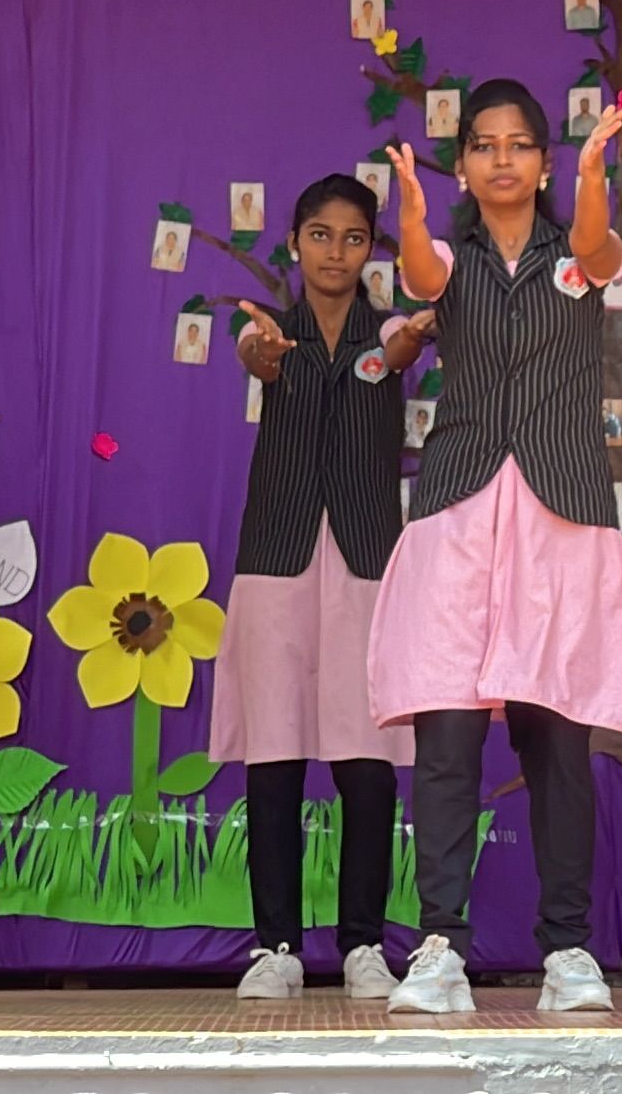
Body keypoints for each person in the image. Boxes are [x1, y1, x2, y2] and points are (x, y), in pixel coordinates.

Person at [366, 80, 622, 1016]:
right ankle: (439, 946)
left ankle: (568, 949)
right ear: (463, 166)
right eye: (483, 145)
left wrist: (596, 172)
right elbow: (419, 270)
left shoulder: (581, 256)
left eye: (519, 144)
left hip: (560, 514)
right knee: (447, 736)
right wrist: (410, 213)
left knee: (558, 735)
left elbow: (597, 244)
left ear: (543, 161)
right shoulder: (451, 260)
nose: (501, 159)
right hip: (459, 511)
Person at [212, 175, 435, 1001]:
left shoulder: (393, 330)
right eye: (319, 235)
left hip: (366, 559)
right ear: (294, 243)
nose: (335, 252)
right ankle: (275, 947)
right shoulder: (272, 330)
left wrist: (410, 345)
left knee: (367, 765)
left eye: (352, 237)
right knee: (273, 759)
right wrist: (262, 358)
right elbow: (255, 354)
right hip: (277, 554)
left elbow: (403, 349)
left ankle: (364, 945)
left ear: (372, 248)